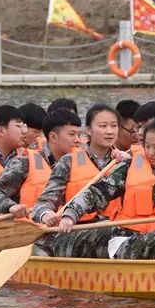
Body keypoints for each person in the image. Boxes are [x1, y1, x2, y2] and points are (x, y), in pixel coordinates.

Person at [58, 118, 155, 259]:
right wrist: (71, 213)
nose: (150, 152)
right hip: (128, 236)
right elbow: (98, 192)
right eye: (147, 146)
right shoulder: (130, 166)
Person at [30, 104, 129, 257]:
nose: (109, 131)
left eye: (114, 126)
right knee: (108, 231)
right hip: (73, 232)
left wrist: (128, 163)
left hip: (116, 229)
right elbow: (42, 203)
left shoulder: (126, 162)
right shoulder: (68, 161)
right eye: (103, 126)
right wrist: (45, 214)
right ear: (88, 130)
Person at [0, 108, 82, 218]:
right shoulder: (26, 162)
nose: (78, 140)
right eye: (72, 134)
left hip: (70, 226)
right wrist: (10, 206)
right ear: (53, 137)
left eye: (79, 134)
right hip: (30, 228)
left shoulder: (85, 160)